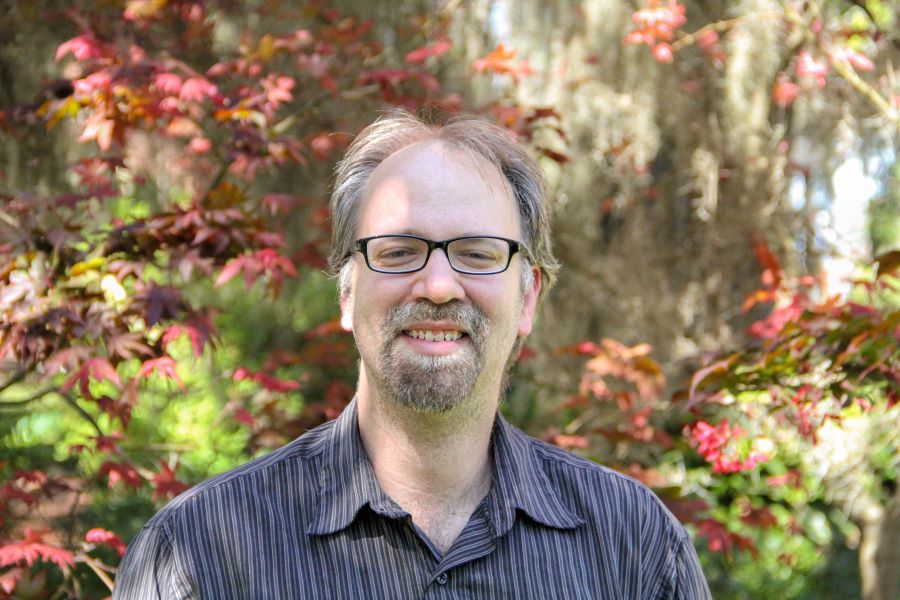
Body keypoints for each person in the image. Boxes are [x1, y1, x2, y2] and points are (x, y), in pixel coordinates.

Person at [113, 111, 712, 599]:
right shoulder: (199, 554)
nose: (440, 286)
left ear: (527, 296)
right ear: (347, 291)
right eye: (399, 251)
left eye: (478, 253)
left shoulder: (635, 546)